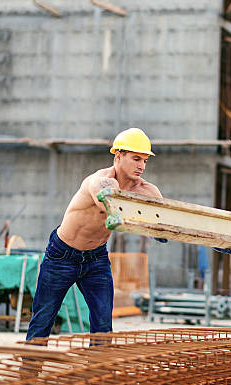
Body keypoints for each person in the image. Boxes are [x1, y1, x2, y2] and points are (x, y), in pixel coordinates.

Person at [25, 128, 163, 341]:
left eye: (145, 160)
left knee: (103, 325)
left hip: (96, 258)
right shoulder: (99, 181)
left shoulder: (146, 190)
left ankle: (98, 374)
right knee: (43, 319)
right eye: (136, 159)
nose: (141, 166)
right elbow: (109, 204)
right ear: (118, 156)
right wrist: (148, 221)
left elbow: (167, 217)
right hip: (62, 254)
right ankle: (30, 373)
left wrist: (207, 238)